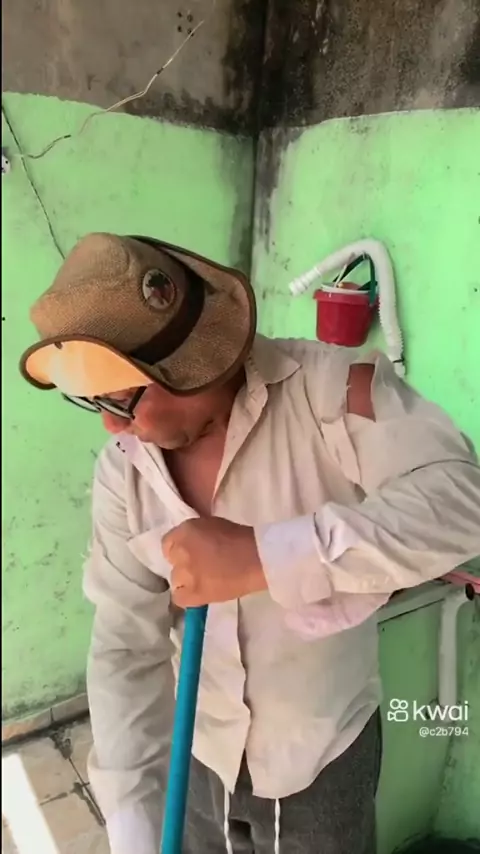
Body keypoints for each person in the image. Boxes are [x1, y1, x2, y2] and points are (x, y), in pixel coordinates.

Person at [20, 233, 480, 854]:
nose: (110, 423)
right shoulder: (123, 469)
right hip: (200, 749)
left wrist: (268, 555)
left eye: (121, 399)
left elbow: (462, 501)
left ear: (191, 364)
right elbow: (124, 648)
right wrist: (132, 821)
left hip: (321, 756)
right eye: (91, 401)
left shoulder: (331, 391)